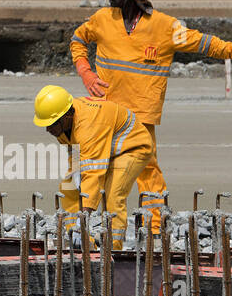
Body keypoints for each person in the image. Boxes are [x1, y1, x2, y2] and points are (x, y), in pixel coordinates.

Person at [69, 0, 232, 232]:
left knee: (148, 173)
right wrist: (86, 73)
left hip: (139, 117)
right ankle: (102, 228)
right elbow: (78, 40)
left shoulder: (163, 26)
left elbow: (203, 42)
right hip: (105, 112)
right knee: (99, 169)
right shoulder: (102, 19)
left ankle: (154, 229)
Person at [32, 84, 151, 250]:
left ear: (67, 116)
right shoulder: (63, 127)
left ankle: (113, 248)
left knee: (112, 194)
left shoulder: (88, 127)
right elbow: (76, 154)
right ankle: (80, 240)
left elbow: (93, 173)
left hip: (131, 148)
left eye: (51, 124)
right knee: (68, 188)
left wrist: (84, 217)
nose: (48, 129)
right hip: (102, 148)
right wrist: (74, 180)